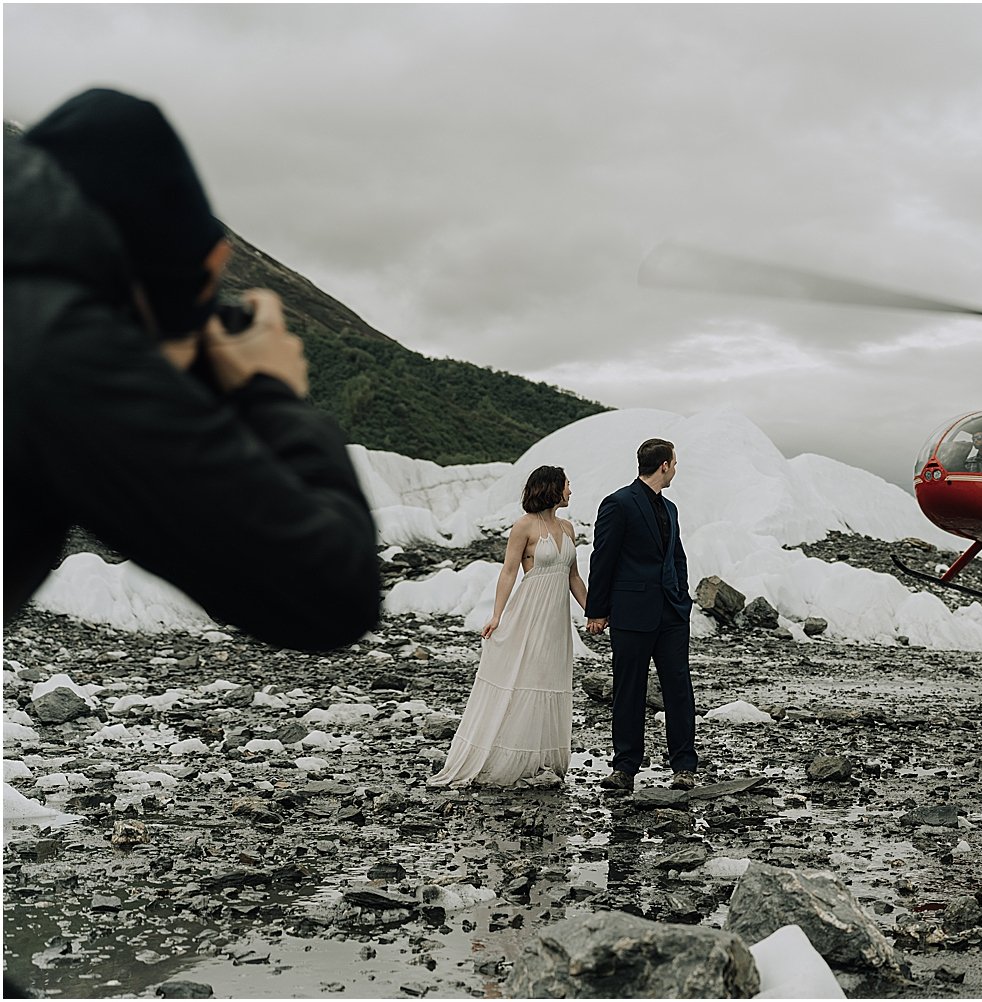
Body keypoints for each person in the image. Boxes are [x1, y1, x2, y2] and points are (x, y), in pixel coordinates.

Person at [3, 88, 380, 651]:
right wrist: (266, 388)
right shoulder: (61, 351)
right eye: (208, 281)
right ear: (161, 274)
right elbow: (332, 590)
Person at [427, 466, 586, 788]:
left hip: (556, 618)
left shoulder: (568, 528)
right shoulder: (524, 526)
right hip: (529, 611)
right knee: (524, 676)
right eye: (568, 485)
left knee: (549, 679)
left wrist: (595, 612)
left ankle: (540, 759)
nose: (571, 490)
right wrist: (497, 616)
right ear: (552, 488)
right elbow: (508, 572)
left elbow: (573, 577)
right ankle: (510, 758)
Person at [585, 439, 698, 793]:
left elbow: (676, 557)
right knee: (628, 690)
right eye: (674, 463)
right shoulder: (619, 503)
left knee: (679, 690)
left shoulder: (672, 509)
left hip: (672, 614)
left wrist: (682, 595)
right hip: (632, 613)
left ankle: (683, 767)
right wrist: (598, 611)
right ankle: (624, 768)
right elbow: (602, 558)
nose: (676, 469)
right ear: (663, 465)